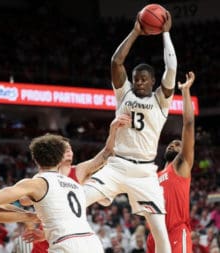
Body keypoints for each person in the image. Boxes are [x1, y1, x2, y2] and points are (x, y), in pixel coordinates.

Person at [83, 10, 177, 253]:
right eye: (136, 79)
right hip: (117, 165)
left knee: (162, 238)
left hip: (145, 172)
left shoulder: (161, 100)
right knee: (77, 199)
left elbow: (172, 67)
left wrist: (165, 33)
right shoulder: (124, 93)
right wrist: (136, 31)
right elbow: (116, 62)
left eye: (144, 79)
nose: (139, 83)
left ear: (153, 81)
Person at [21, 115, 131, 253]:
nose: (69, 151)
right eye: (65, 149)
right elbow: (24, 201)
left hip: (70, 236)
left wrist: (113, 129)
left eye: (70, 149)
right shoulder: (42, 177)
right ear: (55, 153)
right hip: (45, 236)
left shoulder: (78, 171)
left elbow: (106, 153)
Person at [0, 134, 106, 253]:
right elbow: (68, 219)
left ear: (35, 159)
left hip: (65, 245)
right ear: (60, 158)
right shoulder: (75, 185)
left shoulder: (36, 183)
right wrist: (46, 234)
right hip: (92, 243)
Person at [146, 71, 195, 252]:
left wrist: (185, 91)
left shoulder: (181, 166)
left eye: (178, 144)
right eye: (172, 143)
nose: (173, 144)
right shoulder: (154, 175)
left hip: (175, 232)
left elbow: (188, 124)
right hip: (155, 236)